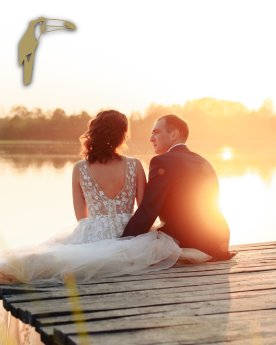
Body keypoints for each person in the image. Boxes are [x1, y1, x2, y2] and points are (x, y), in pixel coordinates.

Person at [0, 110, 181, 285]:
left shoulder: (79, 169)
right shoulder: (135, 165)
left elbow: (81, 216)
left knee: (60, 257)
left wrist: (99, 226)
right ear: (122, 136)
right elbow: (144, 210)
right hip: (129, 233)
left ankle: (13, 270)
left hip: (94, 231)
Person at [122, 114, 232, 260]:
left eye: (156, 132)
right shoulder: (203, 160)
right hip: (219, 240)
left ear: (174, 134)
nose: (151, 138)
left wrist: (123, 241)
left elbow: (149, 209)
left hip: (192, 241)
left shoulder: (162, 161)